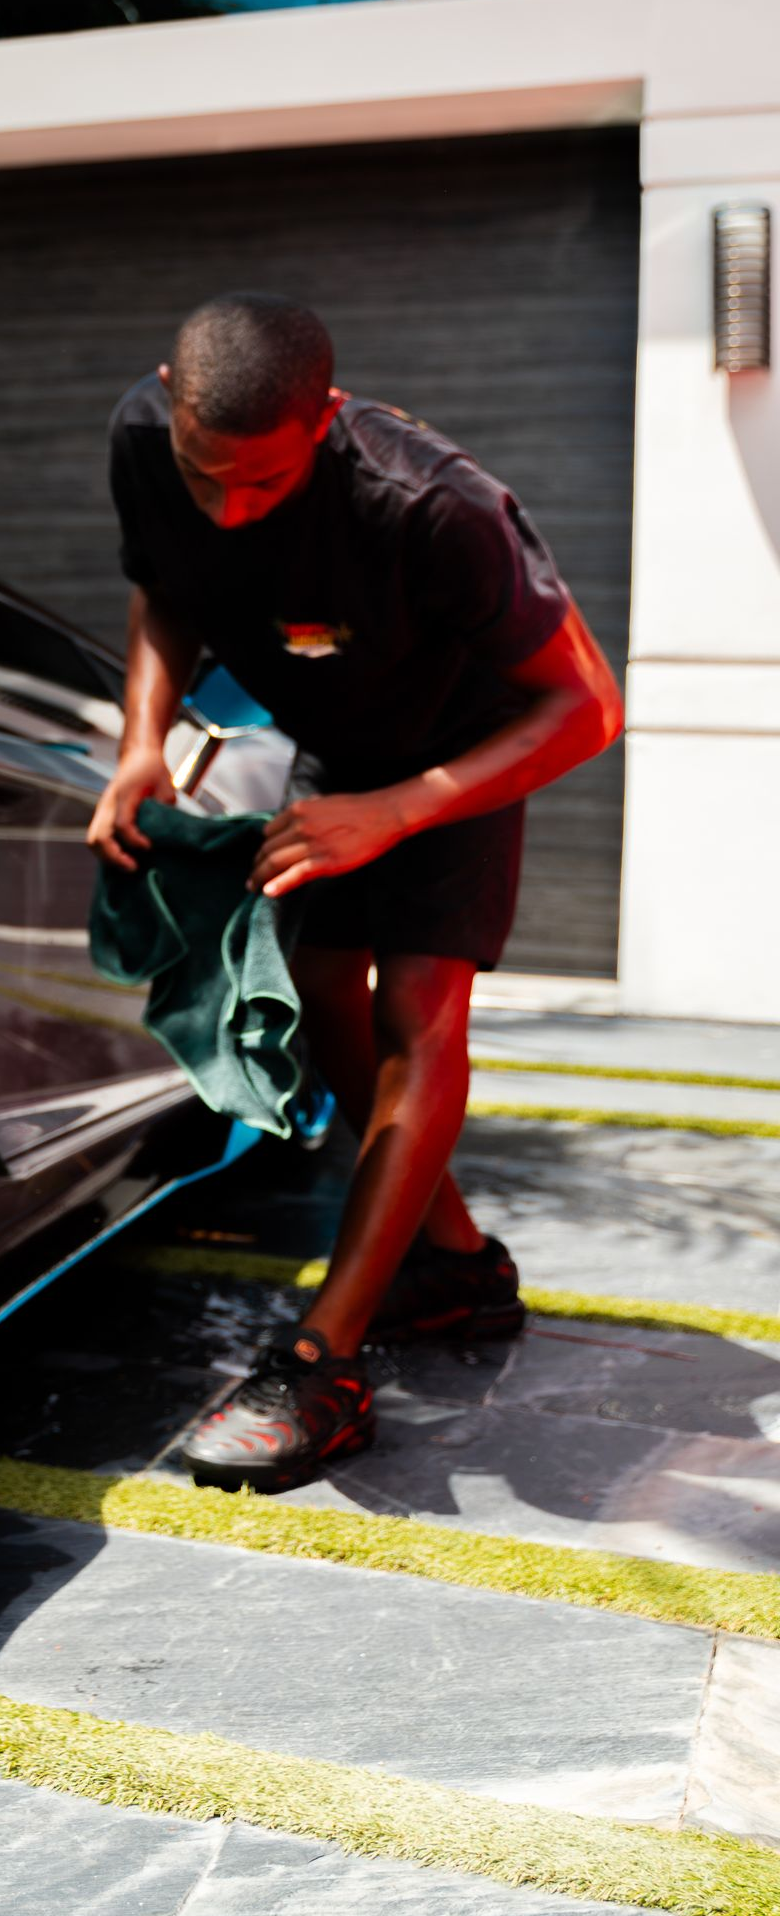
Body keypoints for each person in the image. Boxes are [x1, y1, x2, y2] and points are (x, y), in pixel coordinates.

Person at [87, 292, 623, 1493]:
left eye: (264, 485)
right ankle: (458, 1270)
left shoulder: (434, 508)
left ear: (325, 420)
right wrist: (140, 742)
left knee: (415, 1014)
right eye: (205, 473)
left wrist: (400, 808)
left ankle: (324, 1365)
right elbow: (169, 587)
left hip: (470, 750)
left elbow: (588, 707)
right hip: (342, 742)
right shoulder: (141, 440)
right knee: (320, 977)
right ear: (168, 394)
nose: (230, 508)